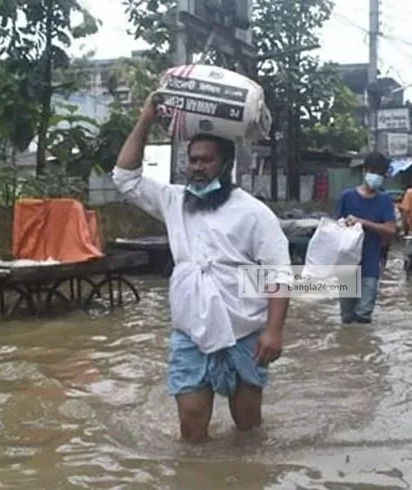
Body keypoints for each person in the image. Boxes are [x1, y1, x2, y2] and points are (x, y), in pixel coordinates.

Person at [112, 94, 292, 443]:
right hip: (190, 335)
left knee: (248, 431)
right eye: (193, 160)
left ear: (225, 165)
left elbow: (278, 274)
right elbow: (125, 178)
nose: (197, 167)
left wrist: (274, 331)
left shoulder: (254, 213)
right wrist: (146, 118)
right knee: (191, 433)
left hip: (244, 335)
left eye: (206, 161)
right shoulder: (174, 201)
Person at [335, 153, 396, 324]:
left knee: (363, 316)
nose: (376, 176)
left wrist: (362, 222)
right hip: (347, 265)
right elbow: (335, 229)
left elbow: (390, 229)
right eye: (373, 171)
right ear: (365, 171)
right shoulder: (346, 197)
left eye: (380, 174)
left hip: (370, 264)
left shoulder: (384, 200)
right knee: (346, 318)